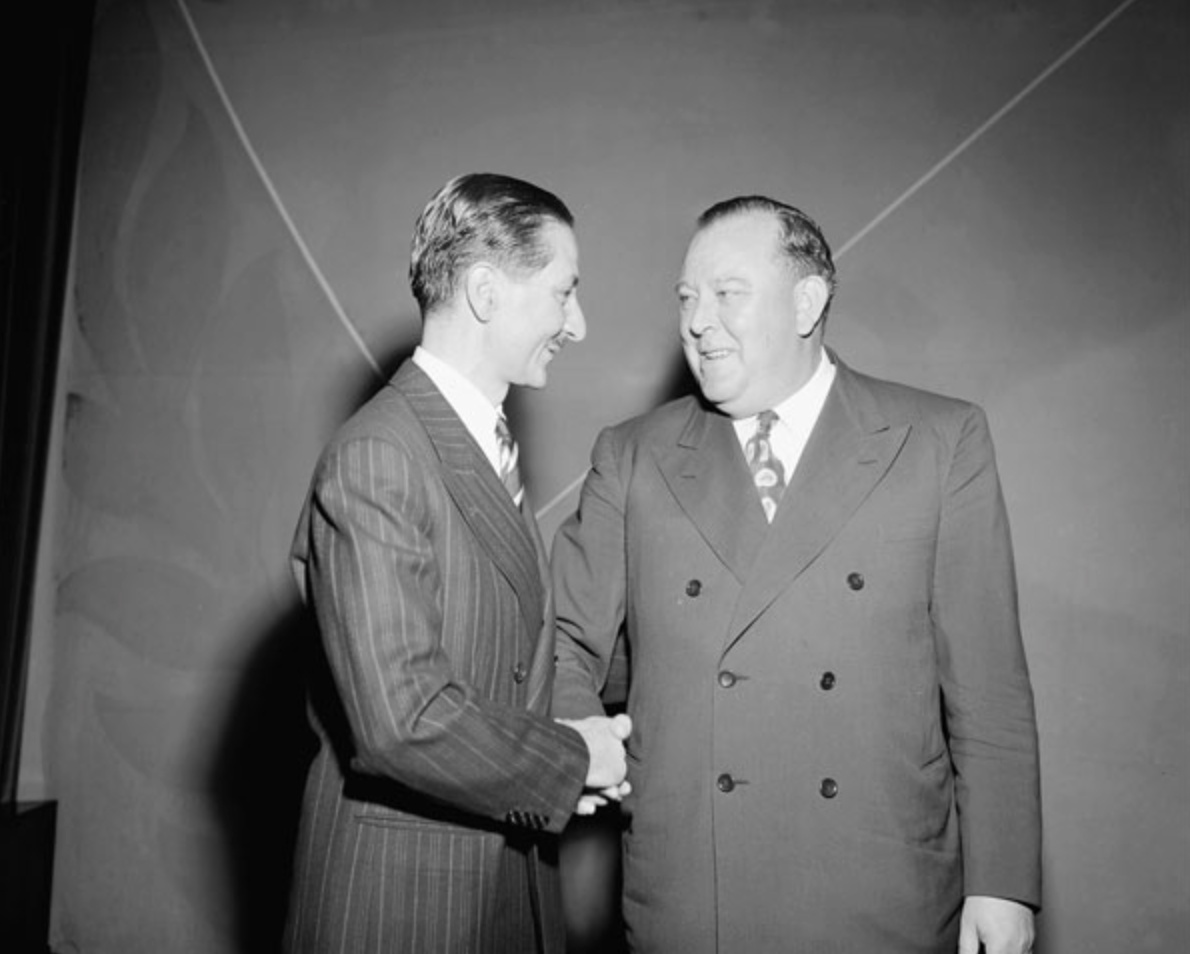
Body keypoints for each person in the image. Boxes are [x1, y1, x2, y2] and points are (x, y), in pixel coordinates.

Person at [551, 195, 1041, 953]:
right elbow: (563, 642)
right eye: (687, 298)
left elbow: (990, 689)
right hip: (693, 898)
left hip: (881, 895)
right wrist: (586, 738)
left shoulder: (938, 443)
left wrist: (1002, 882)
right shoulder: (634, 456)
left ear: (807, 301)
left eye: (727, 294)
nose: (698, 320)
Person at [284, 172, 631, 954]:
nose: (576, 324)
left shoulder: (465, 448)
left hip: (488, 890)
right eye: (562, 292)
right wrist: (575, 758)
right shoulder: (380, 455)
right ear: (485, 291)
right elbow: (402, 721)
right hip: (403, 905)